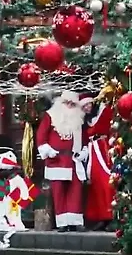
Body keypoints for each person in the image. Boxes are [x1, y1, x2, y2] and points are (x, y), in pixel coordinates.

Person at [36, 91, 89, 231]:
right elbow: (41, 136)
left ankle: (74, 221)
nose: (70, 106)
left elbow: (84, 139)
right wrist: (47, 150)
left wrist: (83, 151)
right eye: (67, 103)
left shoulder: (78, 119)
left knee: (75, 191)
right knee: (59, 192)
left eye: (73, 104)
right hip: (56, 159)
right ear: (61, 102)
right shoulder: (51, 116)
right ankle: (62, 223)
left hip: (73, 160)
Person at [83, 98, 115, 231]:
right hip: (93, 152)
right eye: (83, 106)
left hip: (104, 150)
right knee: (96, 184)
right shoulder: (85, 121)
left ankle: (111, 216)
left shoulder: (105, 112)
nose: (86, 107)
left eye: (88, 104)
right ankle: (101, 217)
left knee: (107, 183)